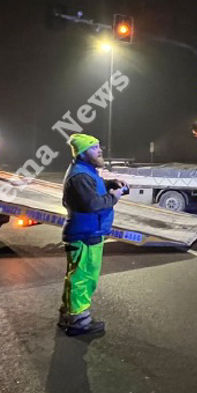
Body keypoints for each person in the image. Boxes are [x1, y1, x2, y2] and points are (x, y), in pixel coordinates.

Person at [59, 133, 127, 336]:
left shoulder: (86, 171)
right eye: (94, 147)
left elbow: (92, 189)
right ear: (82, 152)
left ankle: (68, 313)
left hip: (89, 232)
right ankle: (79, 321)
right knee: (84, 278)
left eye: (99, 146)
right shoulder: (80, 175)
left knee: (77, 276)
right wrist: (113, 197)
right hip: (85, 233)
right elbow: (93, 204)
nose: (100, 150)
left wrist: (109, 184)